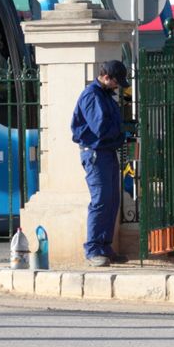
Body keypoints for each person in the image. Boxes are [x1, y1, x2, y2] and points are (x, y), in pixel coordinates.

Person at [71, 60, 131, 267]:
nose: (117, 86)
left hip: (105, 151)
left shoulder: (103, 95)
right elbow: (101, 128)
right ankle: (93, 249)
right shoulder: (92, 95)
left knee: (112, 199)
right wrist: (123, 131)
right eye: (116, 82)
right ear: (106, 77)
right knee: (101, 200)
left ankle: (105, 247)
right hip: (96, 153)